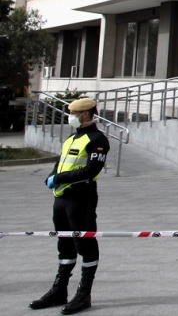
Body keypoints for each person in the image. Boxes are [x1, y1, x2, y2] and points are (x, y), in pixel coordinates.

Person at [31, 97, 110, 314]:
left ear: (85, 114)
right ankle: (59, 291)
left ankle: (84, 294)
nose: (70, 116)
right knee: (64, 244)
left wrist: (60, 178)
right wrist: (52, 175)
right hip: (62, 198)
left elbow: (91, 170)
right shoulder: (72, 138)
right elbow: (61, 162)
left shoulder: (97, 139)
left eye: (74, 113)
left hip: (81, 197)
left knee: (85, 244)